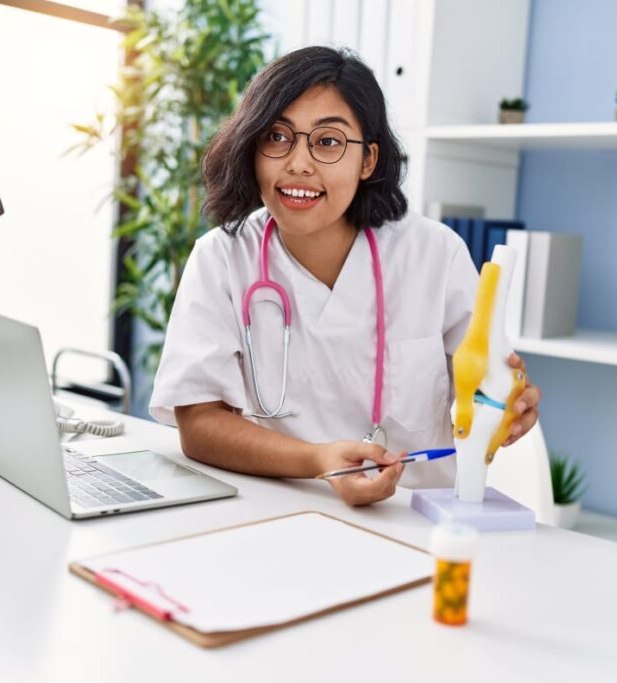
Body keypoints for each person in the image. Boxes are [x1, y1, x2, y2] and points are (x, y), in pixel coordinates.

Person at [149, 46, 542, 506]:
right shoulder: (221, 259)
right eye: (276, 137)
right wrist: (320, 461)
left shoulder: (434, 254)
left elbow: (487, 380)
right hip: (278, 511)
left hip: (415, 522)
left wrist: (508, 404)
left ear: (368, 160)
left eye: (328, 142)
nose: (298, 163)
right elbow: (199, 425)